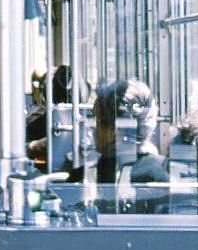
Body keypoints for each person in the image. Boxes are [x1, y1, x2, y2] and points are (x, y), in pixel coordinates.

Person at [70, 78, 168, 213]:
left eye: (98, 121)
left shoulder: (90, 174)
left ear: (116, 128)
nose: (92, 129)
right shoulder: (162, 170)